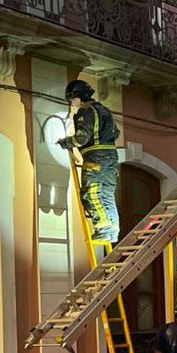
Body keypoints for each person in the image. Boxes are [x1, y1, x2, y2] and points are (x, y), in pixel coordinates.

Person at [59, 79, 120, 245]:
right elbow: (117, 133)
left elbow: (81, 138)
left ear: (79, 96)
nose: (72, 103)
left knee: (91, 192)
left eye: (72, 99)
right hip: (111, 157)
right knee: (107, 193)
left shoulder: (85, 111)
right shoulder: (105, 110)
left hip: (95, 157)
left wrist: (66, 142)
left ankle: (103, 227)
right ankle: (112, 231)